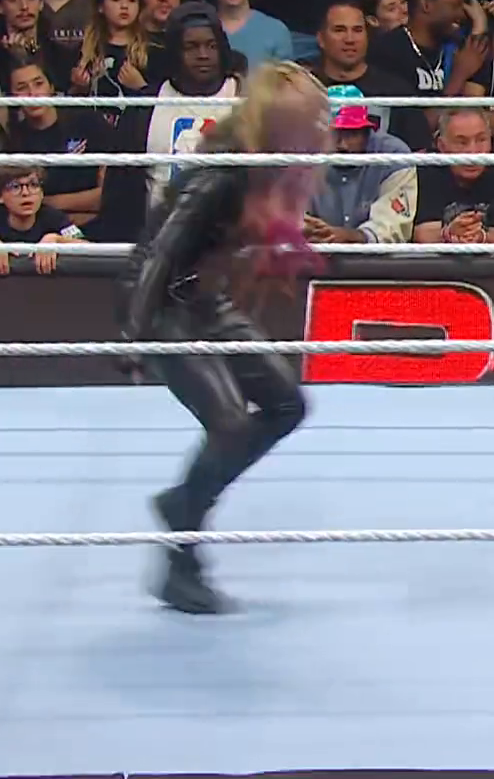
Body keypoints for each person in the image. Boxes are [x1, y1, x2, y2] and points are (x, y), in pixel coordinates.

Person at [117, 62, 332, 615]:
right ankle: (182, 557)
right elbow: (158, 252)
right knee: (231, 424)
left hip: (205, 300)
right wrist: (134, 335)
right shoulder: (223, 170)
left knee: (287, 404)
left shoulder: (275, 166)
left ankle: (185, 499)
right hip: (164, 304)